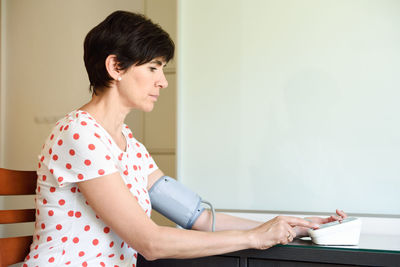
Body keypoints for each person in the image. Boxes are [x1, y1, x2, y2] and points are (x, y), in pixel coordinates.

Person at [23, 10, 347, 266]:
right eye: (153, 67)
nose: (163, 81)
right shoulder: (78, 135)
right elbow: (151, 243)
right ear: (115, 67)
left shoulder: (129, 145)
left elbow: (198, 217)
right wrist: (254, 238)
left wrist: (290, 226)